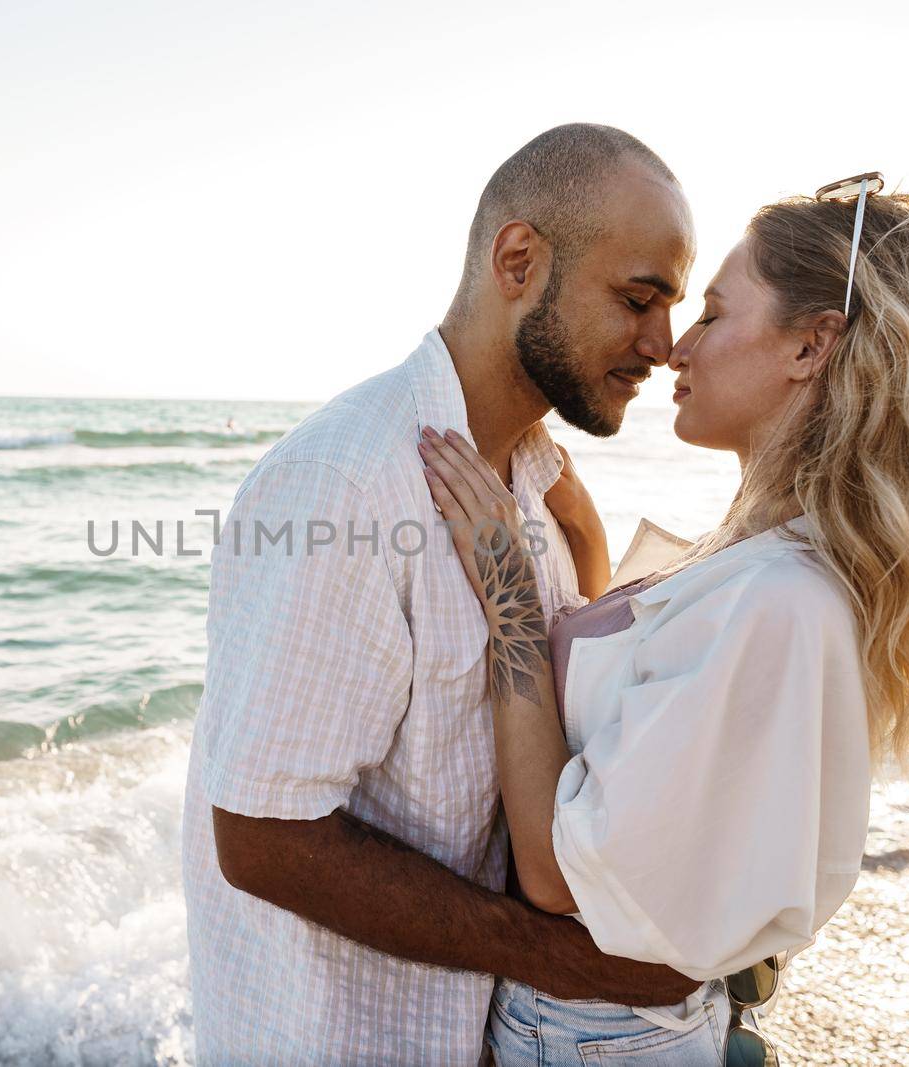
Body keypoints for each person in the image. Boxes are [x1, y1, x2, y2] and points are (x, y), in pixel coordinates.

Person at [419, 177, 909, 1064]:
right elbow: (647, 723)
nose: (675, 348)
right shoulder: (763, 560)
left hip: (593, 1038)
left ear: (812, 345)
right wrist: (578, 540)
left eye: (715, 315)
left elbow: (553, 870)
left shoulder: (779, 599)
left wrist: (508, 593)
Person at [180, 124, 697, 1063]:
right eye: (637, 299)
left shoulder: (533, 481)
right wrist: (568, 962)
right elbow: (260, 838)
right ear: (518, 260)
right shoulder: (347, 485)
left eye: (673, 308)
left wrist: (582, 536)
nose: (663, 344)